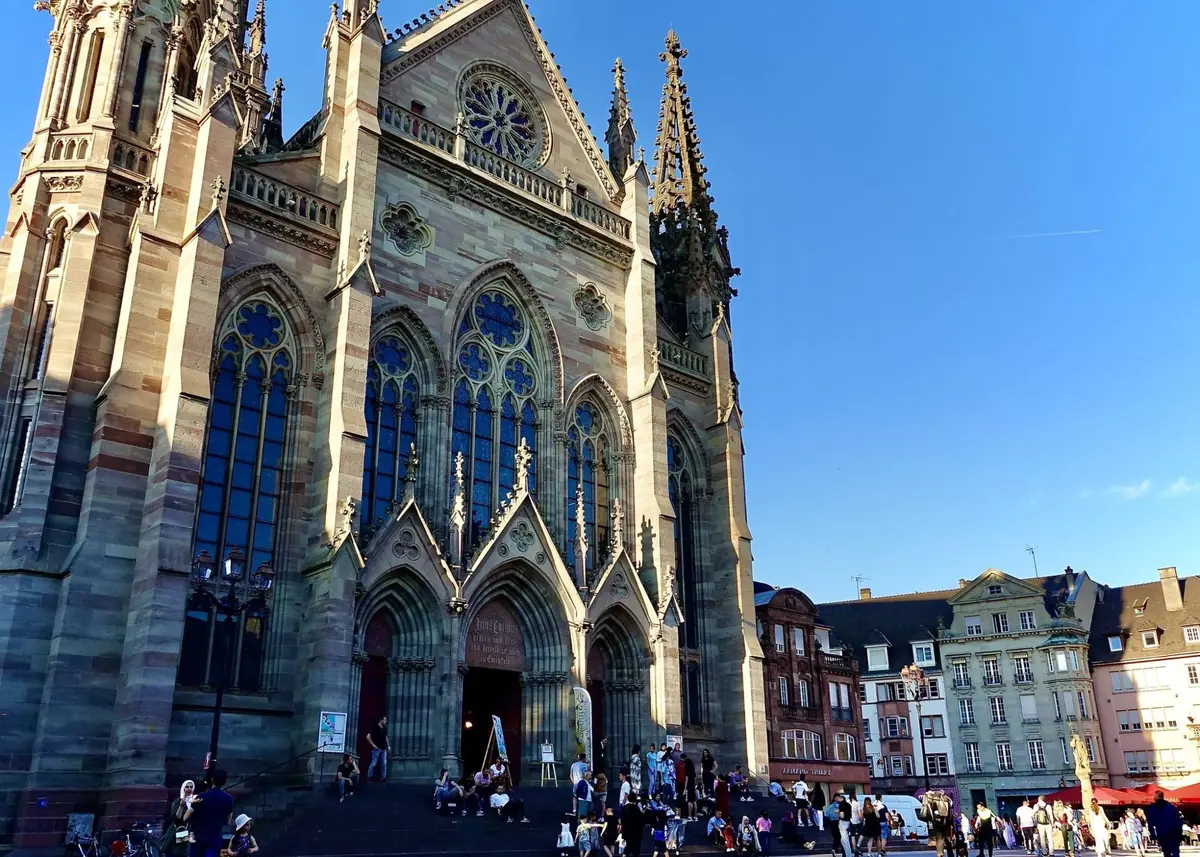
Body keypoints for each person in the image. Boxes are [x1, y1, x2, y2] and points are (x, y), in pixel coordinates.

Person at [183, 769, 233, 857]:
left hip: (198, 837)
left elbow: (185, 817)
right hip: (214, 837)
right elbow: (228, 821)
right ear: (225, 782)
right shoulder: (229, 799)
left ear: (212, 780)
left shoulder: (201, 796)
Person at [162, 780, 195, 856]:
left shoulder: (194, 802)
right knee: (177, 852)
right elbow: (177, 818)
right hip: (179, 831)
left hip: (189, 832)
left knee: (185, 852)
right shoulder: (177, 801)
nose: (189, 788)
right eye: (187, 787)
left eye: (191, 787)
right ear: (183, 788)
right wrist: (181, 806)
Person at [366, 715, 390, 782]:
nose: (386, 721)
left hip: (383, 748)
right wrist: (373, 745)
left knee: (384, 764)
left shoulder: (384, 728)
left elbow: (386, 737)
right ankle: (369, 777)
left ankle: (383, 777)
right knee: (373, 764)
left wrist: (388, 746)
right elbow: (368, 737)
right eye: (385, 720)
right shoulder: (375, 728)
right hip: (376, 749)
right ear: (381, 720)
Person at [682, 752, 697, 821]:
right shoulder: (693, 770)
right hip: (693, 786)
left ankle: (690, 816)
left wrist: (685, 789)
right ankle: (695, 816)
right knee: (694, 801)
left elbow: (686, 779)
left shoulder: (687, 769)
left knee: (689, 802)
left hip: (689, 786)